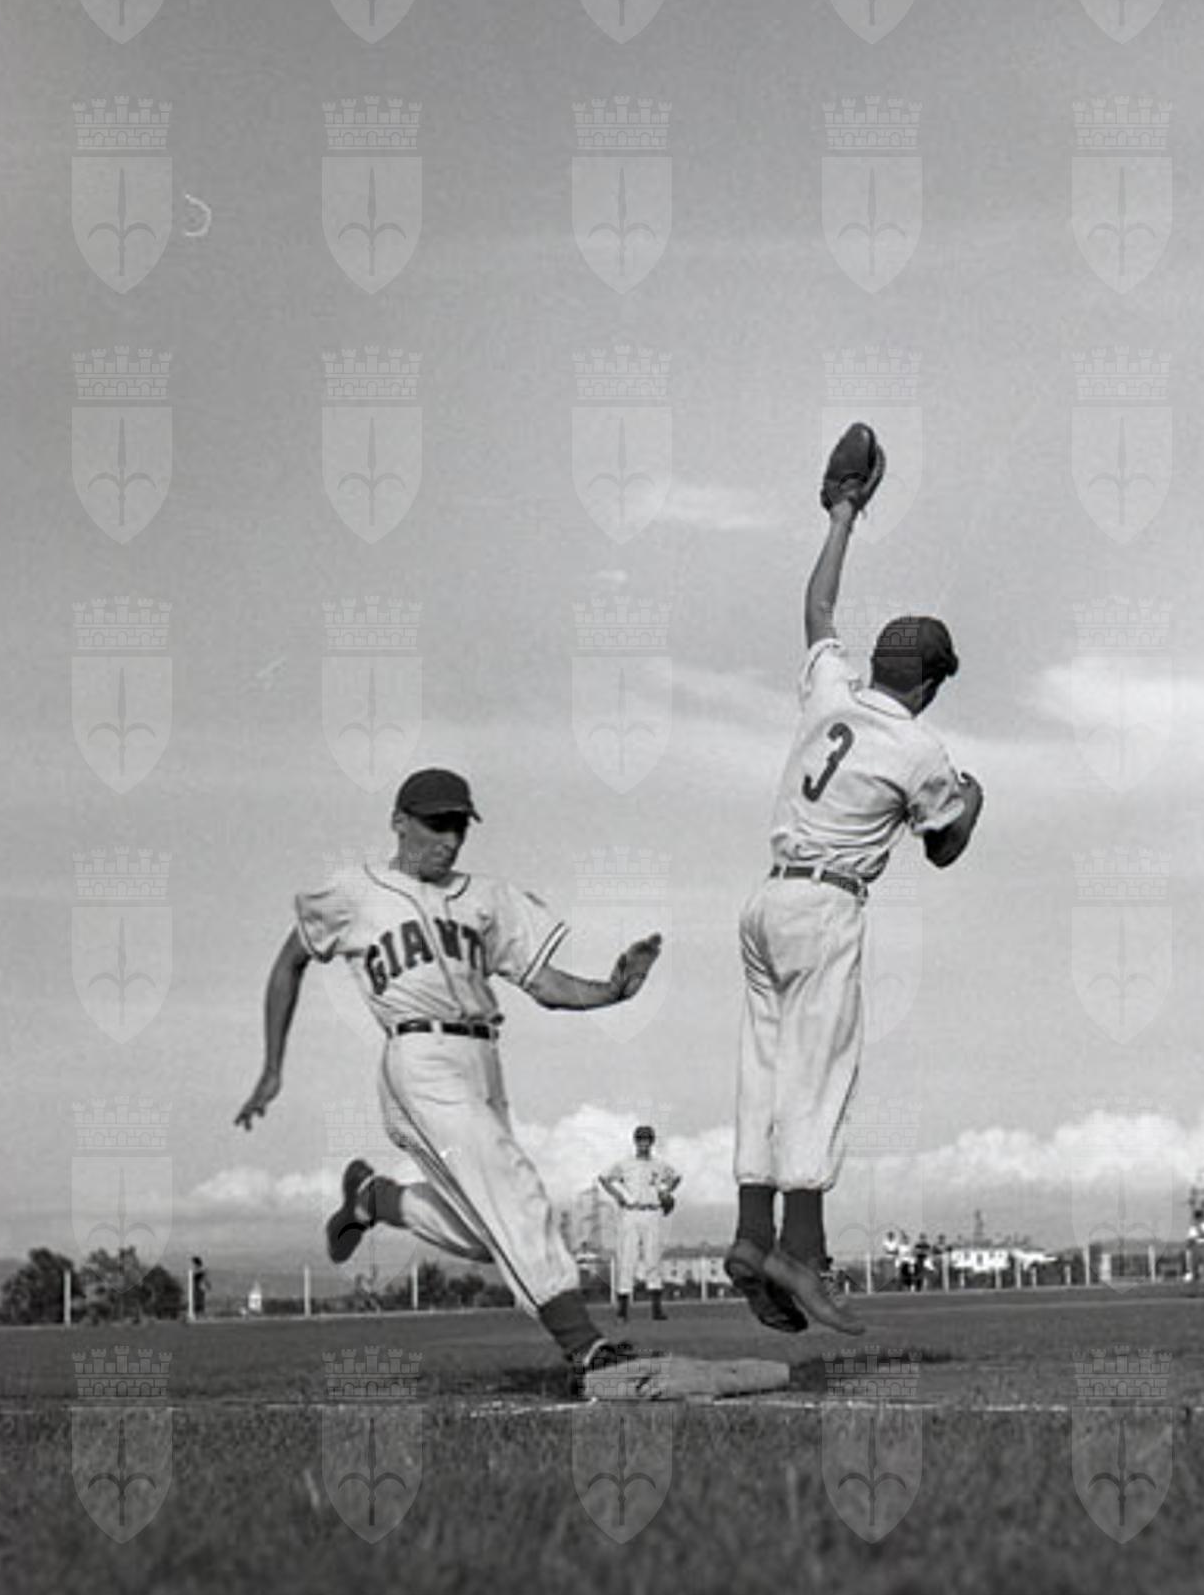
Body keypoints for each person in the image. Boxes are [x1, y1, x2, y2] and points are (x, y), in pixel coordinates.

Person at [233, 766, 663, 1388]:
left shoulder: (486, 897)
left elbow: (544, 984)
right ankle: (586, 1347)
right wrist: (272, 1067)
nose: (450, 840)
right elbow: (289, 962)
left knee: (489, 1232)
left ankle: (375, 1199)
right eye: (436, 825)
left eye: (459, 826)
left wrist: (612, 991)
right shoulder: (356, 891)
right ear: (398, 822)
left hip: (484, 1061)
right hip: (419, 1055)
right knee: (512, 1189)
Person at [724, 440, 985, 1336]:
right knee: (819, 1076)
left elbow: (817, 607)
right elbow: (944, 846)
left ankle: (752, 1233)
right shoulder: (919, 747)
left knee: (765, 1070)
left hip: (765, 900)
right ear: (933, 683)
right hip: (826, 904)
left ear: (878, 662)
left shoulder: (832, 691)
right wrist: (975, 799)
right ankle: (801, 1252)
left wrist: (841, 516)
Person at [598, 1124, 681, 1324]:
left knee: (653, 1258)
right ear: (635, 1142)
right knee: (628, 1259)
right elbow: (604, 1178)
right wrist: (618, 1195)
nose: (644, 1144)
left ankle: (656, 1309)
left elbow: (676, 1177)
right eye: (641, 1140)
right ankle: (622, 1310)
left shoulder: (659, 1164)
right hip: (631, 1211)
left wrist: (666, 1191)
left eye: (647, 1140)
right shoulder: (625, 1163)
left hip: (652, 1211)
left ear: (652, 1143)